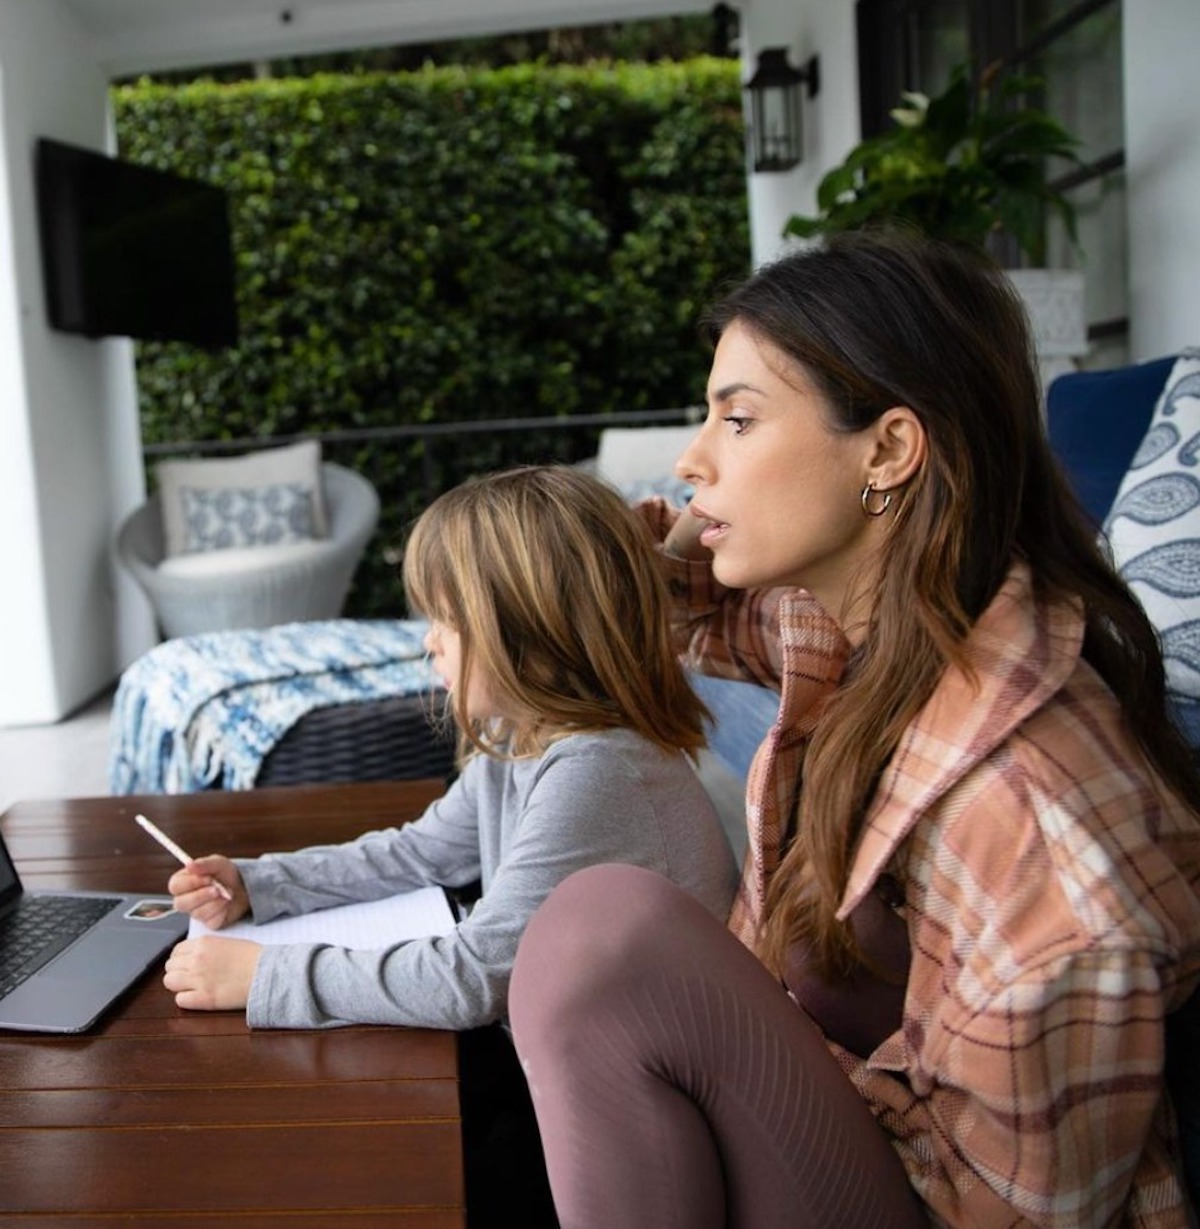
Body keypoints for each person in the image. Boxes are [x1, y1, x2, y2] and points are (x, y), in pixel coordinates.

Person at [508, 231, 1200, 1229]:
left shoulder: (1032, 813)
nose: (690, 458)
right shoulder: (854, 631)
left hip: (964, 1205)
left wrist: (799, 1064)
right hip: (873, 1131)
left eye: (737, 419)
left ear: (886, 450)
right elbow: (683, 610)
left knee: (604, 935)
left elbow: (1011, 1205)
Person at [161, 465, 739, 1223]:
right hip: (558, 1068)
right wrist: (259, 882)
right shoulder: (524, 739)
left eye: (446, 618)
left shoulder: (600, 770)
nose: (429, 641)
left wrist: (267, 975)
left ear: (529, 628)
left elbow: (474, 978)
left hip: (628, 1124)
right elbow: (417, 852)